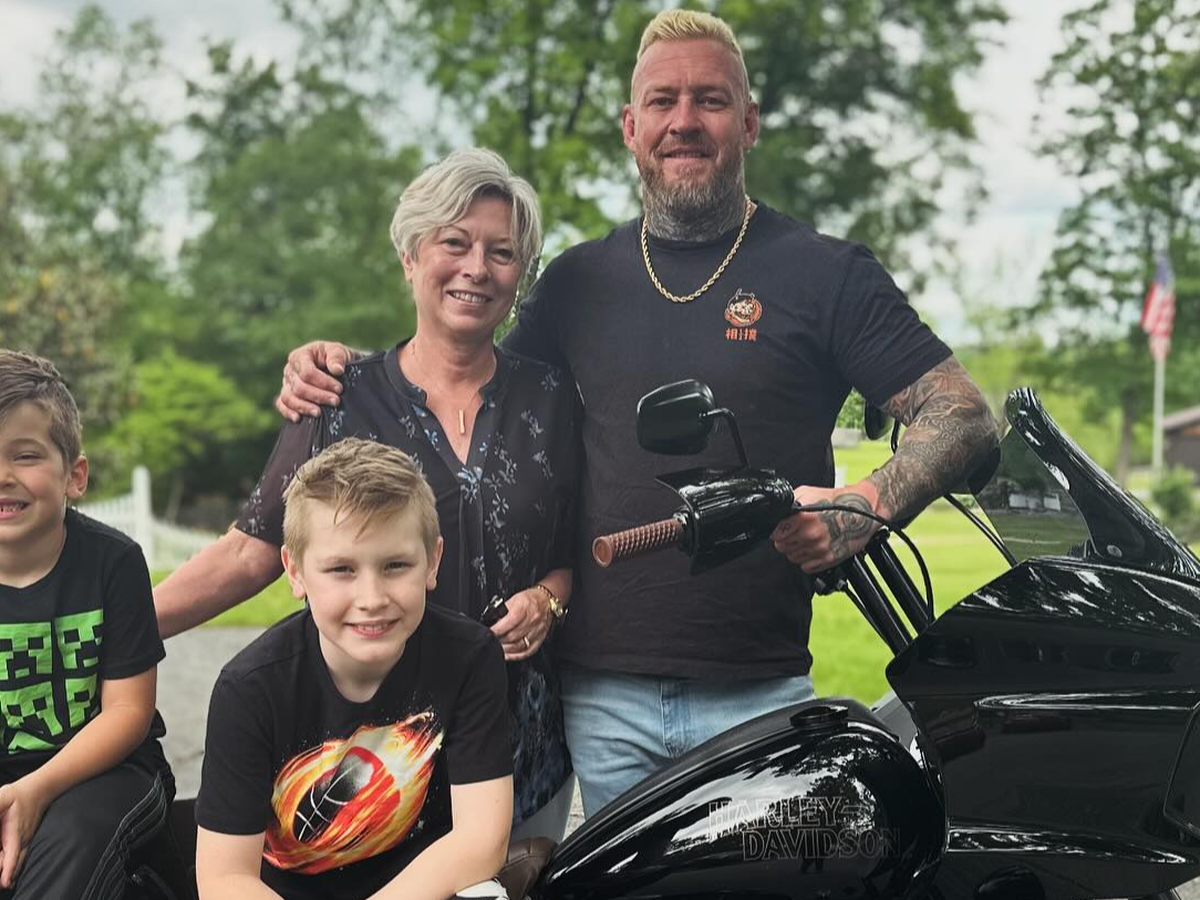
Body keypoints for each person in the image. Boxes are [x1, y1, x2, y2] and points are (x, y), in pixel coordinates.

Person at [275, 10, 999, 817]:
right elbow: (470, 375)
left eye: (710, 100)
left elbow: (963, 414)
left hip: (758, 689)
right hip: (600, 696)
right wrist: (347, 368)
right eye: (662, 101)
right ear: (630, 126)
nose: (684, 121)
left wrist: (864, 505)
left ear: (749, 122)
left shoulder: (826, 275)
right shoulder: (578, 282)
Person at [155, 148, 579, 840]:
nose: (477, 267)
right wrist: (118, 633)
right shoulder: (337, 396)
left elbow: (575, 549)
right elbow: (252, 551)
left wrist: (549, 599)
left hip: (519, 750)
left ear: (519, 275)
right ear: (410, 258)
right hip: (370, 763)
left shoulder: (554, 397)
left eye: (501, 252)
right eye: (454, 242)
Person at [195, 438, 513, 900]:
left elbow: (482, 840)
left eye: (395, 565)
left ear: (433, 561)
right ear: (295, 571)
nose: (371, 598)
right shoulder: (249, 689)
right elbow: (224, 878)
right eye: (342, 569)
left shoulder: (470, 658)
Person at [0, 350, 173, 898]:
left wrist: (37, 789)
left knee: (73, 834)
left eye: (24, 455)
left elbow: (129, 712)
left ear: (74, 475)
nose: (3, 476)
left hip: (110, 771)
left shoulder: (112, 562)